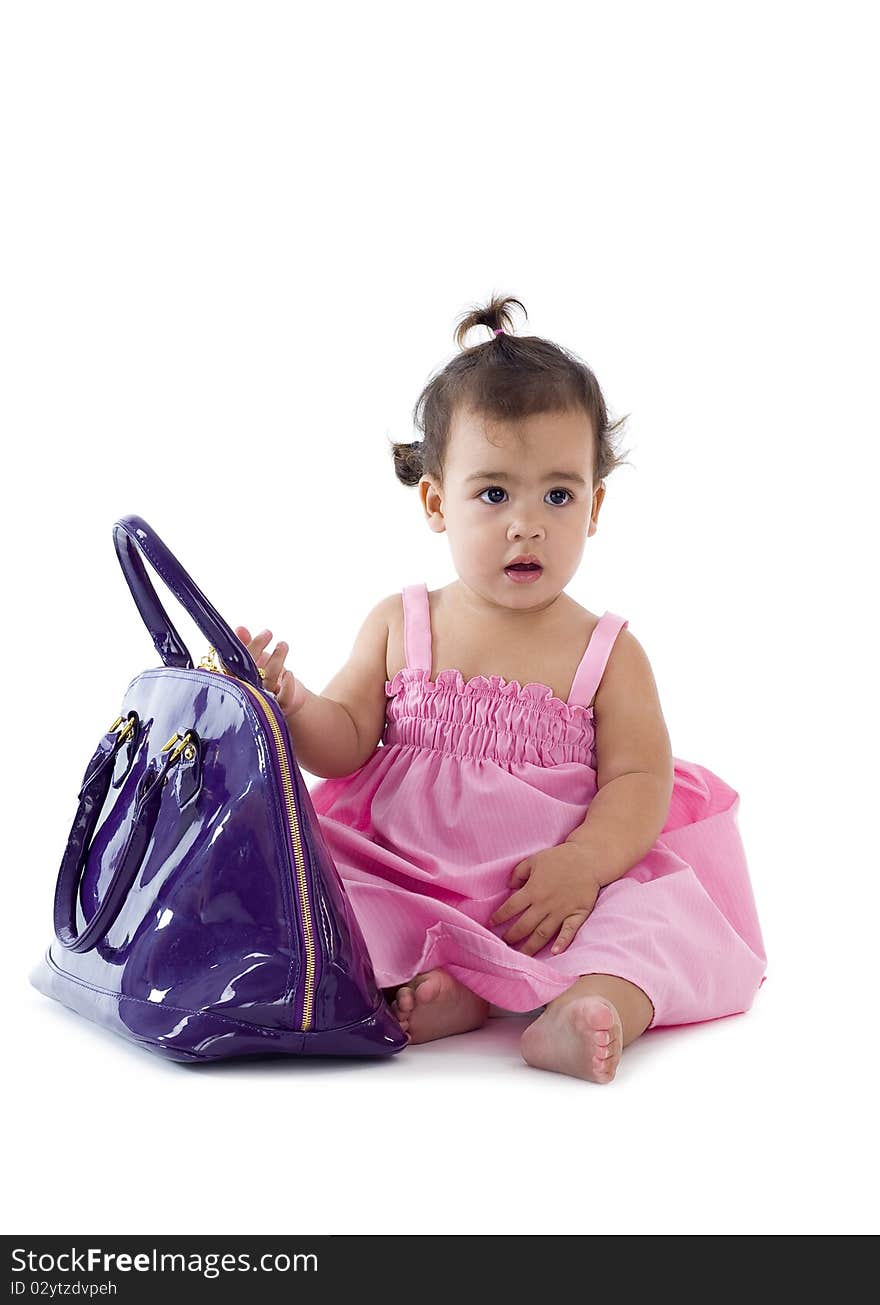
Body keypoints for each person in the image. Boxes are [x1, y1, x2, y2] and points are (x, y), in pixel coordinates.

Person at [235, 294, 767, 1084]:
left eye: (559, 494)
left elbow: (639, 778)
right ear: (437, 501)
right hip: (406, 869)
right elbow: (343, 741)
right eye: (494, 494)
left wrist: (585, 863)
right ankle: (447, 990)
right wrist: (292, 701)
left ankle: (592, 1007)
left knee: (663, 919)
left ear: (595, 508)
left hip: (548, 891)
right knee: (324, 890)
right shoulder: (402, 622)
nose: (529, 524)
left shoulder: (607, 651)